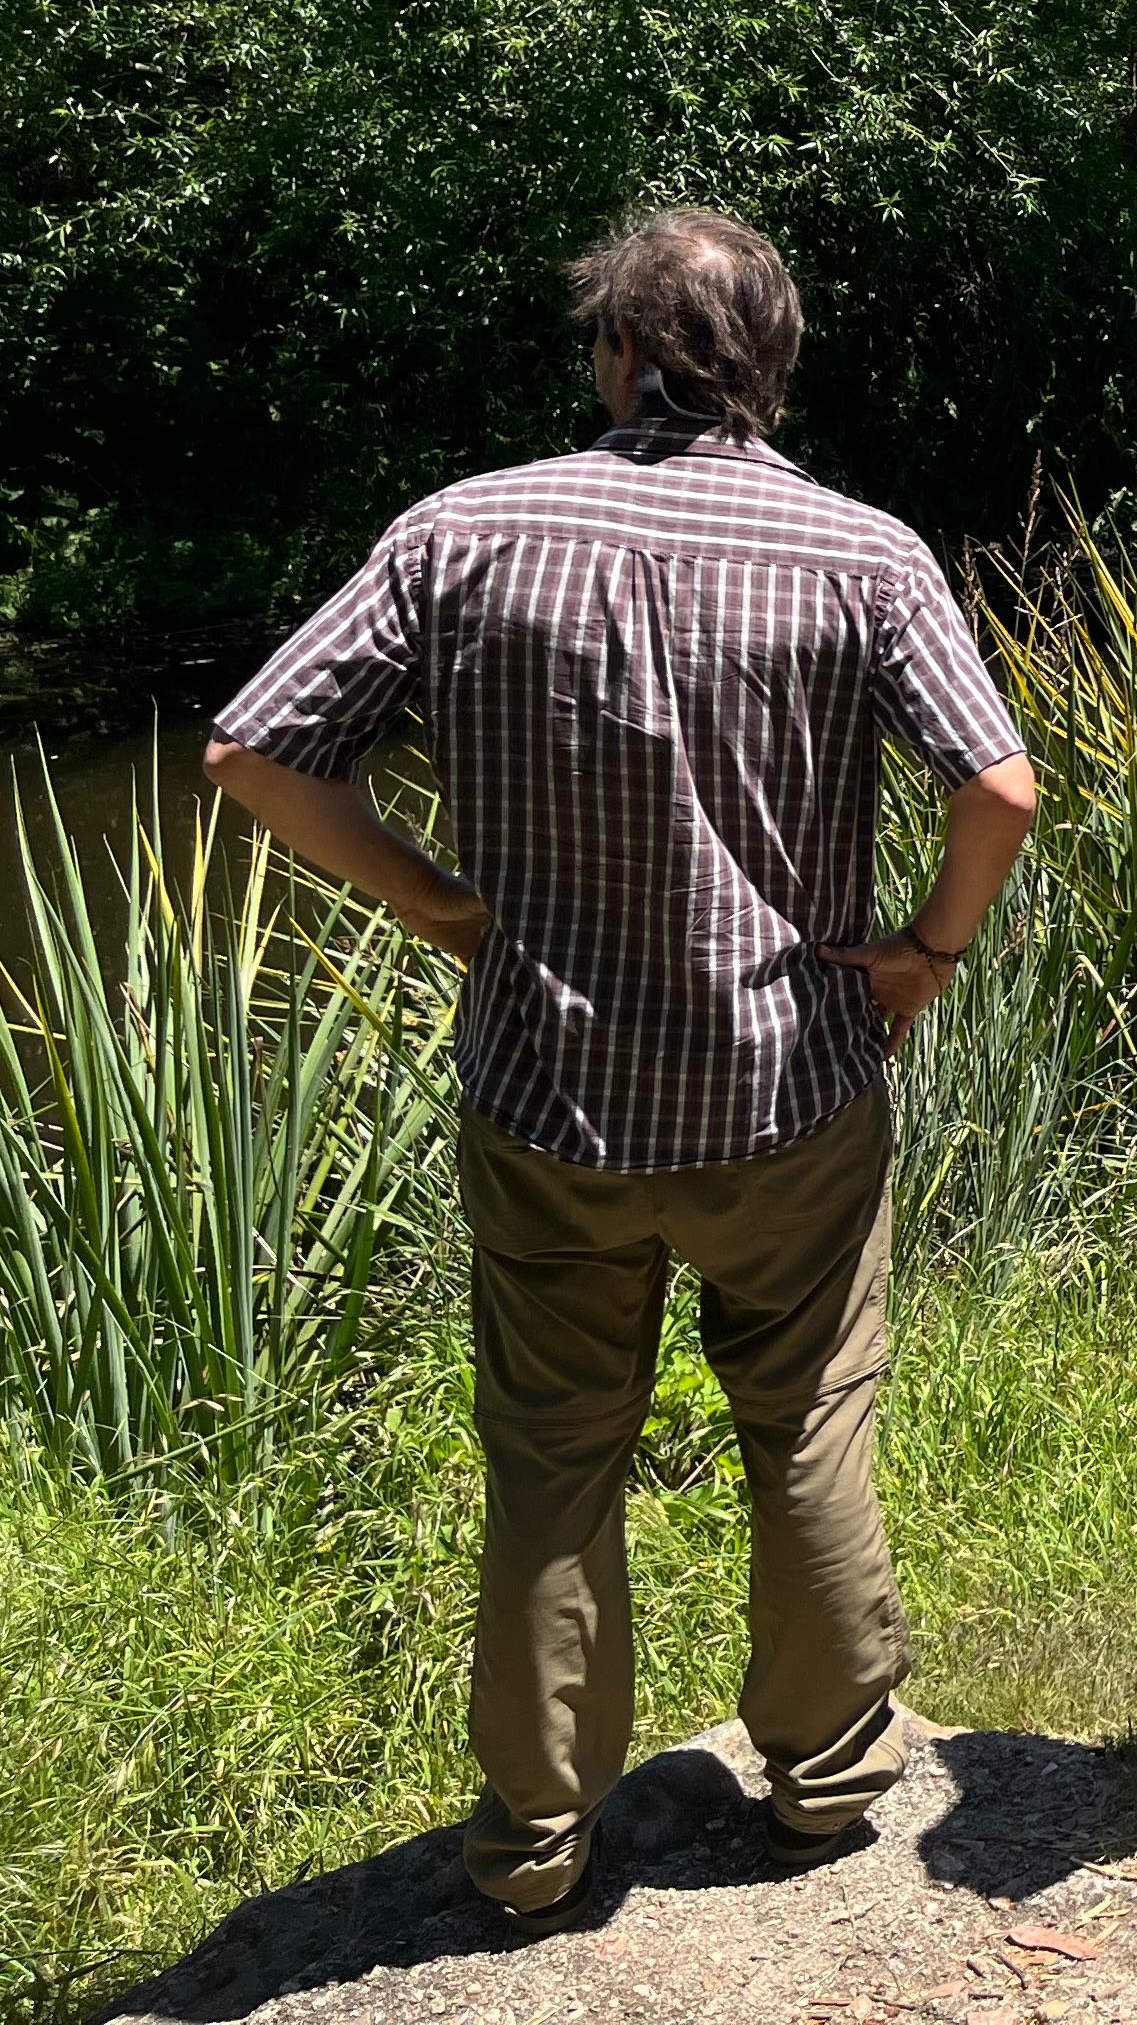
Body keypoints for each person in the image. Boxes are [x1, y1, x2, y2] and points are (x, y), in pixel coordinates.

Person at [201, 208, 1038, 1917]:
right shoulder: (859, 550)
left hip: (550, 1094)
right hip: (787, 1089)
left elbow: (251, 748)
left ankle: (531, 1837)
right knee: (807, 1420)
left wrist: (436, 900)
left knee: (554, 1453)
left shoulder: (465, 531)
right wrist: (928, 953)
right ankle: (821, 1778)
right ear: (772, 368)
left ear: (615, 353)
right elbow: (1000, 786)